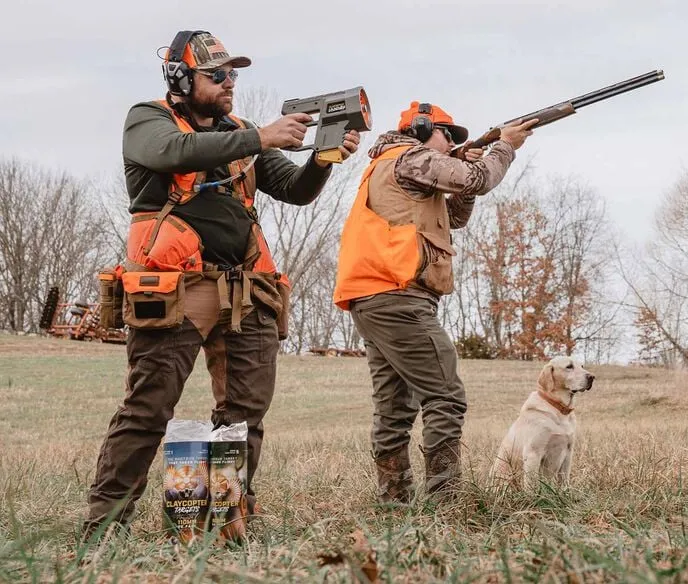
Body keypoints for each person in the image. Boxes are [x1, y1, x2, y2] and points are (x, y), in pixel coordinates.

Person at [83, 29, 360, 538]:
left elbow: (295, 191)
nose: (230, 82)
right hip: (175, 290)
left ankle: (219, 522)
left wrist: (323, 158)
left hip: (246, 290)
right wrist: (262, 136)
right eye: (217, 75)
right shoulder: (147, 120)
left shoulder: (241, 131)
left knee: (244, 416)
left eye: (233, 74)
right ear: (181, 77)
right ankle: (104, 527)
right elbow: (174, 152)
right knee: (148, 409)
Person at [332, 101, 536, 503]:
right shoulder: (410, 156)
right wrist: (505, 146)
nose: (450, 144)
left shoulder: (399, 163)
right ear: (422, 129)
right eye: (447, 135)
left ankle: (394, 500)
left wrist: (469, 165)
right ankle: (446, 501)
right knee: (446, 395)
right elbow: (478, 179)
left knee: (393, 407)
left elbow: (456, 214)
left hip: (375, 296)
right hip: (397, 294)